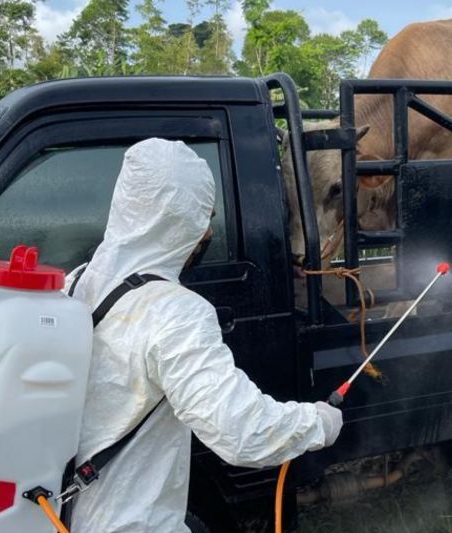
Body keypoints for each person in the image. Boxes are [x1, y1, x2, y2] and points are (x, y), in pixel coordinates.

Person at [68, 138, 343, 532]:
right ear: (181, 220)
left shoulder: (74, 282)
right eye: (205, 217)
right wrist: (317, 422)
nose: (207, 232)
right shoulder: (172, 312)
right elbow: (242, 432)